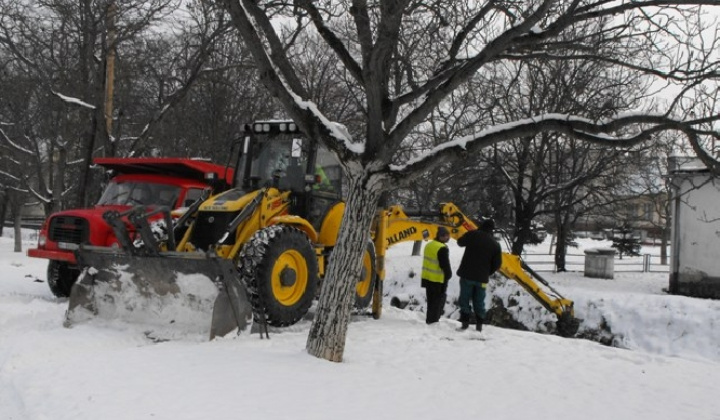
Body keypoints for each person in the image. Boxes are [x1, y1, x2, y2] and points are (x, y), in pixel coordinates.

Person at [456, 218, 502, 332]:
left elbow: (460, 242)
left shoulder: (473, 235)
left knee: (464, 299)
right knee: (479, 301)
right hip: (481, 278)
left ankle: (465, 324)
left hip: (467, 275)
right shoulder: (495, 244)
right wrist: (487, 272)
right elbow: (497, 264)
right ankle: (479, 326)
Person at [421, 226, 452, 324]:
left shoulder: (429, 245)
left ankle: (429, 320)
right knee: (437, 303)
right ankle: (433, 322)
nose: (448, 238)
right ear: (441, 236)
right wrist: (448, 275)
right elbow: (445, 265)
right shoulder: (442, 248)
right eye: (447, 236)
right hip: (438, 280)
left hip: (427, 278)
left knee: (430, 302)